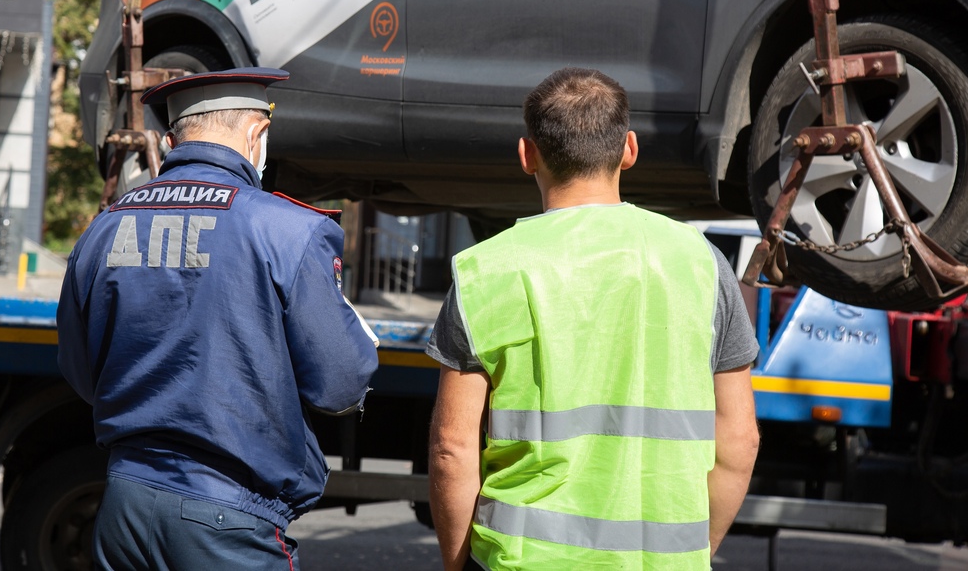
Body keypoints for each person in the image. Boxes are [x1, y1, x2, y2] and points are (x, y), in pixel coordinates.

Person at [426, 67, 760, 571]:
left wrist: (456, 566)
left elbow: (452, 448)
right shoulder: (701, 263)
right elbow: (740, 439)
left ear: (527, 155)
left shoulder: (487, 270)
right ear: (629, 150)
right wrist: (691, 551)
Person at [58, 67, 379, 570]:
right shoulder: (289, 229)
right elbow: (339, 385)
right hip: (228, 517)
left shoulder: (104, 229)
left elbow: (82, 372)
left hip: (124, 502)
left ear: (168, 141)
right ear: (257, 134)